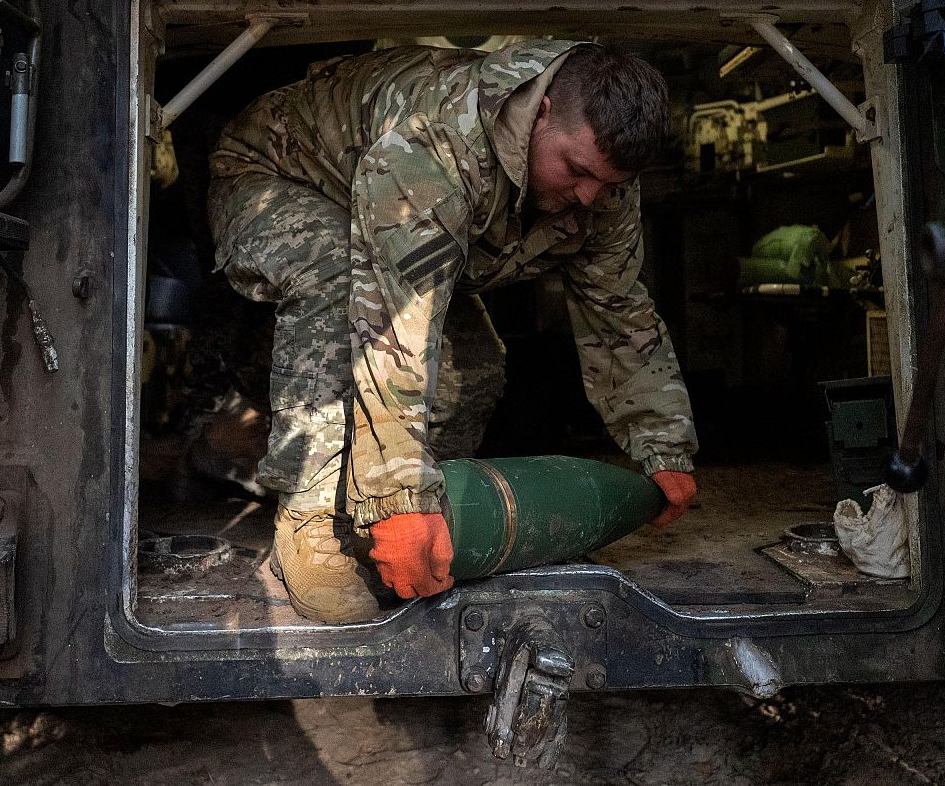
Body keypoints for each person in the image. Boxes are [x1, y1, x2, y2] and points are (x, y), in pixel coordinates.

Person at [208, 40, 699, 623]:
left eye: (611, 183)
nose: (591, 196)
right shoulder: (435, 140)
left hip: (394, 227)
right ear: (542, 112)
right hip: (279, 177)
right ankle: (316, 523)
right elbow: (393, 332)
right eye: (577, 170)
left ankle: (404, 522)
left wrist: (661, 444)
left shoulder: (602, 180)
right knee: (339, 282)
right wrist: (399, 497)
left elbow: (618, 308)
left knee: (475, 368)